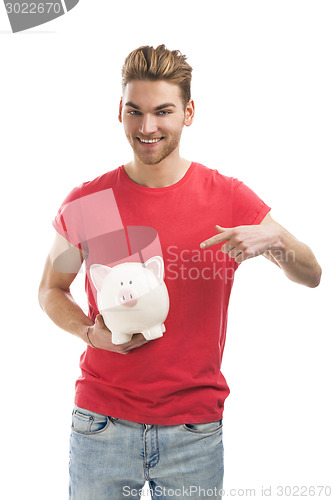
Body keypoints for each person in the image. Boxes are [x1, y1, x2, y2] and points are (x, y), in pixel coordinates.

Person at [38, 44, 322, 500]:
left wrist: (278, 242)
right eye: (135, 111)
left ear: (188, 113)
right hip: (102, 426)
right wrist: (91, 334)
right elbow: (51, 290)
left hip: (195, 432)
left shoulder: (227, 198)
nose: (147, 127)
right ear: (120, 112)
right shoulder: (89, 203)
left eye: (163, 112)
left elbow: (312, 275)